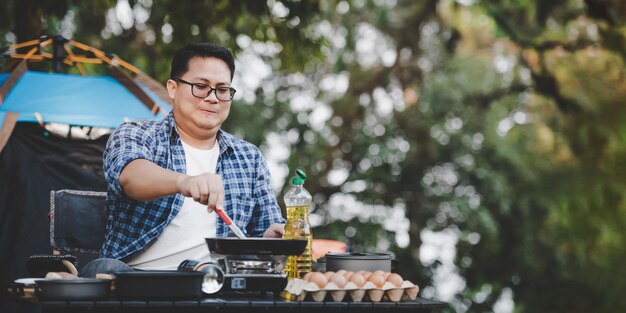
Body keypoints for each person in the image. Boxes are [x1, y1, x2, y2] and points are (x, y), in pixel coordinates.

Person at [80, 43, 285, 277]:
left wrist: (271, 241)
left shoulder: (249, 157)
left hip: (218, 285)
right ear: (173, 88)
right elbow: (131, 177)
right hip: (136, 281)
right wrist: (185, 182)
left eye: (222, 89)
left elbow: (265, 238)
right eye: (201, 86)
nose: (212, 98)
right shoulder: (137, 133)